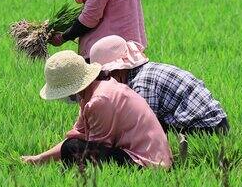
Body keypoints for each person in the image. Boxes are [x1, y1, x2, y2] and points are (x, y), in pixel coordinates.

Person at [20, 50, 172, 168]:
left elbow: (97, 145)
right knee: (71, 146)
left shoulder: (99, 100)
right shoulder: (92, 91)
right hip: (139, 155)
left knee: (72, 148)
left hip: (146, 162)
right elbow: (79, 136)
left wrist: (75, 137)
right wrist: (38, 159)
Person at [90, 35, 229, 135]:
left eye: (105, 76)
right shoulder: (143, 72)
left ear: (118, 71)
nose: (105, 81)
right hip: (214, 121)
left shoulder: (141, 84)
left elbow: (145, 125)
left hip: (206, 127)